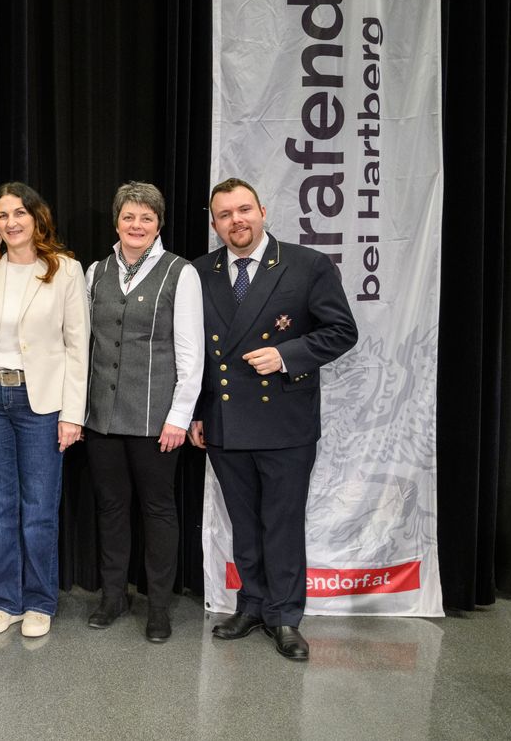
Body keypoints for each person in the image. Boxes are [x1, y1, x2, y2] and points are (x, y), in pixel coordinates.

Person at [187, 177, 357, 661]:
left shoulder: (307, 265)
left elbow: (342, 331)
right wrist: (196, 412)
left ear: (262, 211)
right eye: (225, 214)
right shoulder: (199, 272)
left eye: (244, 210)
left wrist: (285, 355)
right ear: (215, 223)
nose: (236, 220)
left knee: (281, 522)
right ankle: (252, 605)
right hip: (224, 420)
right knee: (244, 523)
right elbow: (192, 351)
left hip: (285, 421)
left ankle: (284, 617)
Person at [0, 182, 89, 638]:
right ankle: (6, 601)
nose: (11, 222)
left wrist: (72, 415)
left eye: (19, 213)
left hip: (41, 403)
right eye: (2, 215)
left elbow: (77, 347)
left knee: (39, 508)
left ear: (36, 218)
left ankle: (39, 601)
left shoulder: (65, 271)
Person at [82, 182, 203, 642]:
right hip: (102, 418)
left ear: (158, 224)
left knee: (158, 510)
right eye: (129, 217)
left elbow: (190, 354)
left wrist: (178, 417)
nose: (137, 225)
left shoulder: (180, 273)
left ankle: (159, 607)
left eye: (146, 218)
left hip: (156, 421)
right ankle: (113, 597)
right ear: (117, 222)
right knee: (111, 508)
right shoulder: (95, 272)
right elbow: (84, 345)